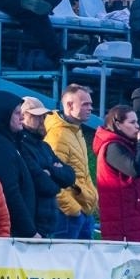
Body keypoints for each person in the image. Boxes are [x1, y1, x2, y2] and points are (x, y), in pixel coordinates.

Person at [93, 104, 140, 243]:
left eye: (137, 122)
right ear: (118, 125)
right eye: (132, 122)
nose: (137, 126)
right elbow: (136, 170)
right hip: (125, 226)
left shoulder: (129, 145)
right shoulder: (113, 147)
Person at [44, 85, 99, 241]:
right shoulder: (58, 135)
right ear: (69, 105)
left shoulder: (75, 130)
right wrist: (73, 209)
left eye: (90, 104)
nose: (90, 108)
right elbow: (52, 177)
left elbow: (83, 173)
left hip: (82, 211)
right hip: (69, 216)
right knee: (66, 256)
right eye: (85, 104)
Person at [17, 97, 77, 239]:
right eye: (36, 116)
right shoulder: (21, 145)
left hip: (49, 222)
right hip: (32, 224)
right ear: (23, 116)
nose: (42, 120)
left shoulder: (44, 146)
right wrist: (55, 174)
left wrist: (50, 171)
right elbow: (43, 184)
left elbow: (70, 177)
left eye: (43, 116)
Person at [0, 90, 37, 237]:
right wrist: (29, 231)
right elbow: (10, 192)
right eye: (17, 113)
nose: (22, 117)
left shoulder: (8, 142)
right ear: (3, 115)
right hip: (9, 232)